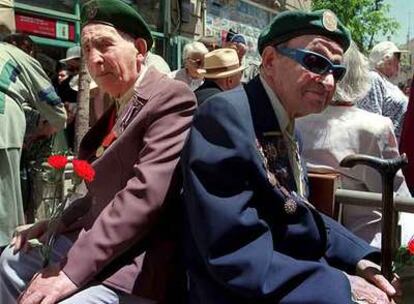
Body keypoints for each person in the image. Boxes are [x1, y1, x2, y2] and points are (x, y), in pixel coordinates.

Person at [181, 9, 400, 304]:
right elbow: (233, 251)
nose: (328, 81)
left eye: (336, 71)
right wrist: (339, 286)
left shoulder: (285, 123)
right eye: (314, 62)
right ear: (270, 61)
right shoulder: (225, 116)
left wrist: (359, 256)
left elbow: (298, 211)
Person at [0, 1, 196, 303]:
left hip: (139, 258)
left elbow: (142, 198)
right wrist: (52, 225)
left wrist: (69, 274)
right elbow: (94, 192)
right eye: (87, 48)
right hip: (97, 239)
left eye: (104, 45)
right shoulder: (114, 102)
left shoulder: (170, 97)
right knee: (12, 260)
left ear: (140, 49)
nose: (93, 59)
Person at [296, 41, 413, 248]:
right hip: (365, 250)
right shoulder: (375, 128)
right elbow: (400, 199)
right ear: (360, 76)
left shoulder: (296, 120)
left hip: (305, 240)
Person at [0, 34, 67, 249]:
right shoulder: (21, 58)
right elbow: (55, 109)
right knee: (6, 202)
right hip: (3, 122)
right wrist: (51, 126)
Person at [357, 41, 408, 141]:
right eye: (396, 58)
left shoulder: (387, 82)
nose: (399, 62)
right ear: (386, 60)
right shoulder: (374, 78)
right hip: (384, 149)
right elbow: (372, 120)